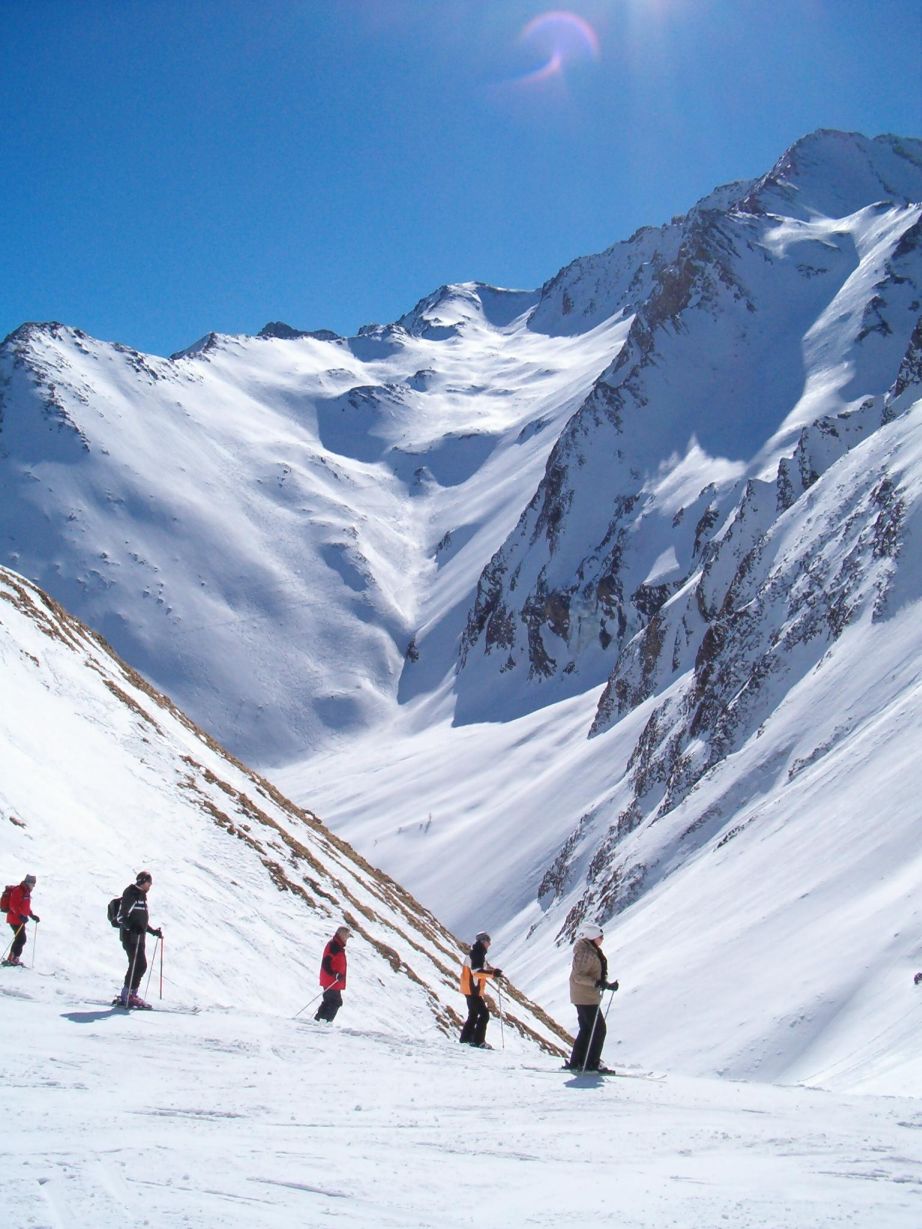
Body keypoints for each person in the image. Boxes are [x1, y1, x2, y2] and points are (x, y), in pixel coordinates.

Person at [566, 923, 618, 1073]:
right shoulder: (586, 953)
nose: (602, 939)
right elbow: (578, 976)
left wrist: (604, 984)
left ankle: (578, 1061)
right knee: (598, 1029)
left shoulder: (588, 950)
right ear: (592, 937)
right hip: (585, 997)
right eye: (600, 937)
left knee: (587, 1029)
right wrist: (598, 983)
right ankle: (591, 1063)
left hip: (584, 995)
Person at [117, 870, 162, 1008]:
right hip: (130, 937)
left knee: (138, 964)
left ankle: (130, 994)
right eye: (149, 883)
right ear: (143, 882)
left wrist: (152, 931)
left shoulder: (141, 896)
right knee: (139, 964)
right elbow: (121, 917)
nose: (150, 886)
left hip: (138, 937)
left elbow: (140, 921)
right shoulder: (132, 894)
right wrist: (132, 928)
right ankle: (128, 995)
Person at [459, 931, 502, 1048]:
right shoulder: (477, 954)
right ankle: (478, 1041)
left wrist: (492, 973)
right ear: (483, 942)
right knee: (484, 1014)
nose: (489, 944)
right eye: (488, 942)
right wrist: (493, 973)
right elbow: (477, 972)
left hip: (468, 989)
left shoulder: (474, 953)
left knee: (473, 1014)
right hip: (473, 990)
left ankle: (466, 1038)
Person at [315, 926, 351, 1022]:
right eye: (347, 936)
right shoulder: (334, 946)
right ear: (341, 934)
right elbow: (326, 962)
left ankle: (319, 1020)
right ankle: (325, 1022)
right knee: (335, 1002)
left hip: (332, 980)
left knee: (329, 1001)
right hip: (331, 980)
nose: (347, 938)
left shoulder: (337, 945)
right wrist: (334, 975)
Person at [3, 874, 39, 966]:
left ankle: (13, 958)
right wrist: (20, 916)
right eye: (32, 884)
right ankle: (12, 959)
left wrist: (32, 915)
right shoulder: (18, 891)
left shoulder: (26, 892)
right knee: (21, 939)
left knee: (20, 939)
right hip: (14, 919)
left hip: (19, 920)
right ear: (28, 882)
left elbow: (25, 907)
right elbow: (13, 905)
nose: (33, 886)